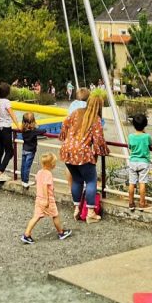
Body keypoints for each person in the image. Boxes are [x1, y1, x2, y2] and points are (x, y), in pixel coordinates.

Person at [59, 92, 109, 223]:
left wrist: (67, 138)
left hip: (67, 150)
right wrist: (102, 150)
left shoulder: (76, 112)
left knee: (77, 180)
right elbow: (99, 140)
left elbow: (64, 125)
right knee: (91, 181)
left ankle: (77, 209)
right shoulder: (96, 119)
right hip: (82, 153)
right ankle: (90, 213)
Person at [20, 153, 72, 244]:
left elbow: (38, 183)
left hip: (38, 198)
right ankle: (61, 232)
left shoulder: (39, 172)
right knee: (55, 215)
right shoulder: (48, 174)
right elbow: (45, 186)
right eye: (54, 163)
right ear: (51, 165)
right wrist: (46, 199)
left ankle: (26, 234)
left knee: (36, 216)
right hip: (47, 199)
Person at [127, 113, 152, 211]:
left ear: (133, 124)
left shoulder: (130, 136)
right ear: (145, 124)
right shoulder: (147, 136)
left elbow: (130, 146)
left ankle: (131, 203)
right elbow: (150, 145)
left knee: (131, 183)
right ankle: (142, 203)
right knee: (142, 183)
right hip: (143, 162)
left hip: (133, 162)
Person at [0, 83, 18, 183]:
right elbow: (12, 114)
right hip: (5, 128)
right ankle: (0, 173)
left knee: (0, 150)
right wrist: (18, 126)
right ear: (7, 92)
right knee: (10, 151)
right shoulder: (6, 102)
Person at [16, 112, 48, 189]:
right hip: (31, 151)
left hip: (24, 149)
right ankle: (26, 182)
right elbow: (44, 130)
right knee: (27, 166)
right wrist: (36, 126)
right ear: (33, 121)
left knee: (23, 165)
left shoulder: (23, 129)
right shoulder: (33, 131)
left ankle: (23, 180)